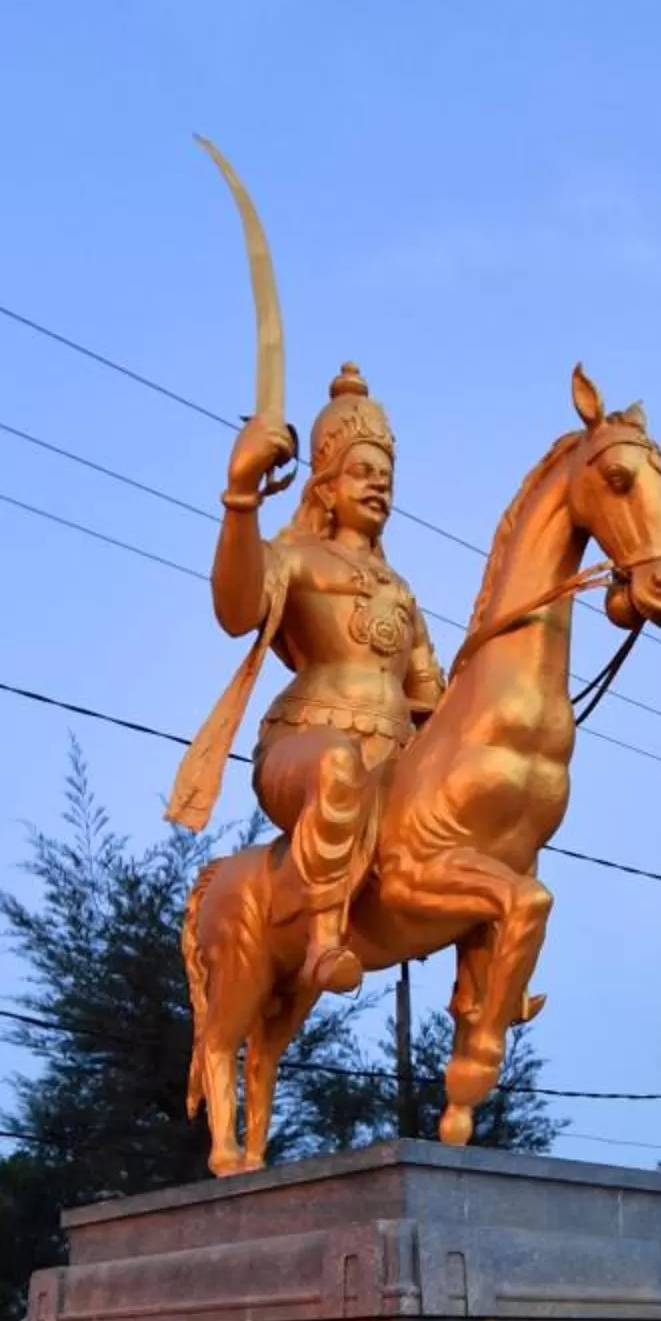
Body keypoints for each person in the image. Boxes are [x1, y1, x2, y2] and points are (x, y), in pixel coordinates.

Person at [209, 364, 445, 995]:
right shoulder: (296, 559)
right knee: (337, 764)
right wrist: (241, 492)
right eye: (363, 474)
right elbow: (236, 610)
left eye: (386, 479)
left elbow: (432, 699)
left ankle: (488, 978)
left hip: (391, 763)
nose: (379, 488)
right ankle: (321, 943)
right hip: (303, 751)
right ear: (327, 485)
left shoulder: (402, 592)